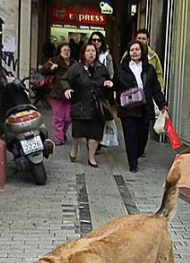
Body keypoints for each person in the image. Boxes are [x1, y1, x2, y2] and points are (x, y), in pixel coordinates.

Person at [115, 40, 168, 173]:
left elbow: (155, 88)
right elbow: (116, 84)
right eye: (132, 50)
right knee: (130, 136)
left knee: (142, 137)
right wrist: (110, 85)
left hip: (145, 108)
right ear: (128, 52)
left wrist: (162, 104)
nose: (134, 52)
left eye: (137, 49)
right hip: (128, 108)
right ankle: (132, 164)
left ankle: (137, 154)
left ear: (142, 51)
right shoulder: (121, 69)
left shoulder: (149, 69)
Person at [61, 41, 113, 168]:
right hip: (80, 105)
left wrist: (109, 84)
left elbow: (109, 82)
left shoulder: (102, 69)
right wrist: (67, 89)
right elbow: (65, 79)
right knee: (78, 134)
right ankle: (74, 149)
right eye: (88, 51)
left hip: (97, 108)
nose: (91, 53)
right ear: (83, 53)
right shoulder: (76, 68)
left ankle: (91, 157)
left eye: (93, 51)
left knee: (95, 135)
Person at [41, 43, 75, 145]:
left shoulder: (74, 63)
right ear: (60, 51)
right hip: (56, 93)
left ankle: (62, 134)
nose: (66, 52)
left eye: (68, 50)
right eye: (64, 50)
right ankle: (59, 138)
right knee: (59, 118)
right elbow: (43, 71)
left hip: (70, 93)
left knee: (68, 118)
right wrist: (51, 68)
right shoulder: (54, 61)